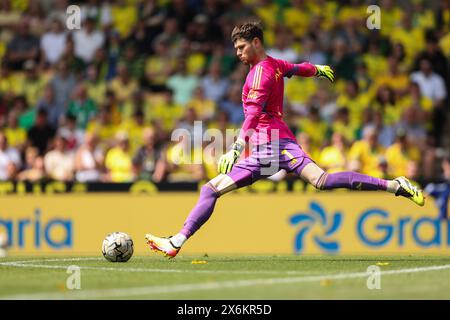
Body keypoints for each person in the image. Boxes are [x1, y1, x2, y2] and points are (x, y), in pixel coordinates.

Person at [145, 22, 425, 258]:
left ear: (256, 42)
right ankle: (394, 185)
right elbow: (295, 68)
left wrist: (235, 148)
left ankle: (177, 242)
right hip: (280, 142)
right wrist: (316, 69)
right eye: (236, 49)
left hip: (269, 146)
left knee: (211, 189)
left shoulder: (259, 75)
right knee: (322, 181)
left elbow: (253, 115)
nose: (239, 53)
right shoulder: (273, 64)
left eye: (241, 47)